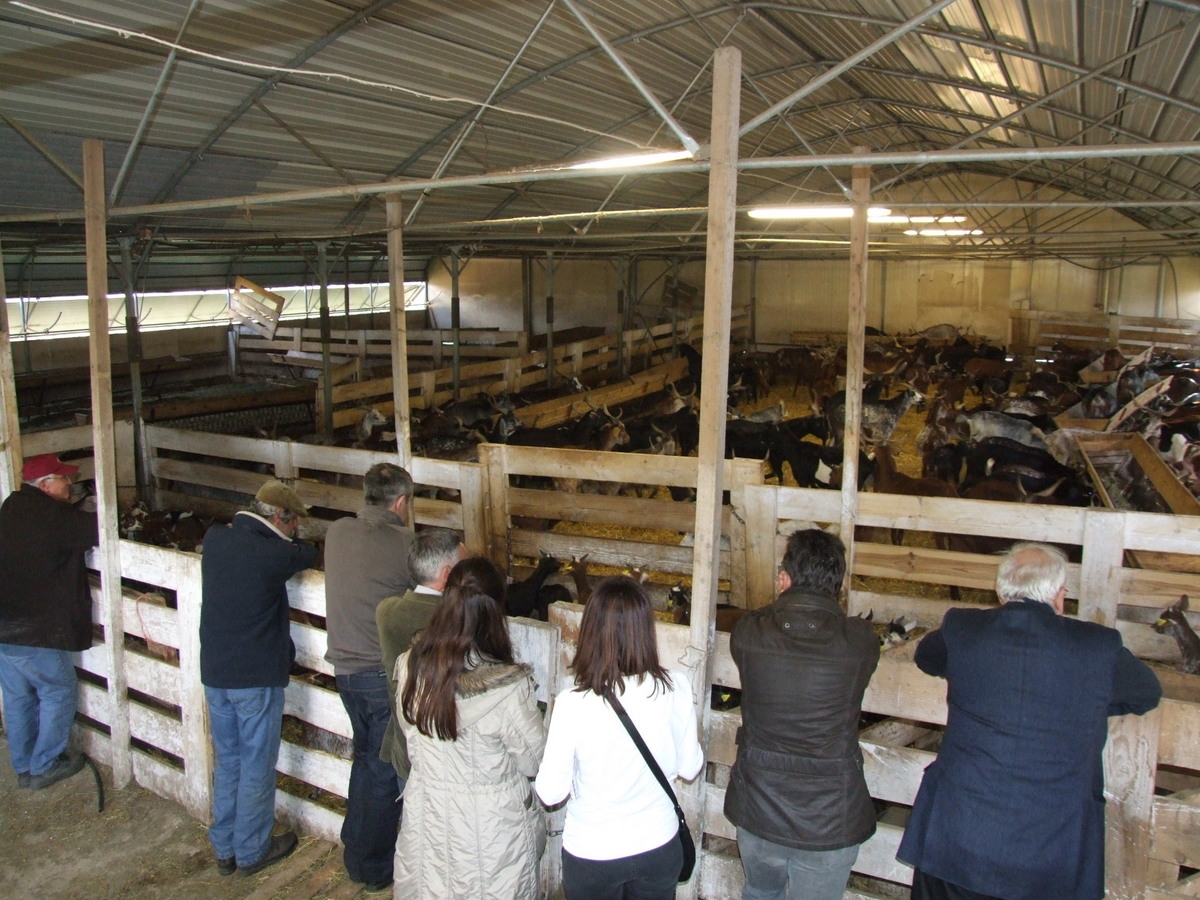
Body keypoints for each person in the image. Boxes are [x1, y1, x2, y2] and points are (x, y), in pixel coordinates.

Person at [897, 542, 1163, 900]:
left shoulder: (964, 628)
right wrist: (1080, 703)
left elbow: (927, 658)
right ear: (1059, 595)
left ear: (1000, 592)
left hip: (958, 838)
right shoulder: (1097, 646)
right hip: (1050, 854)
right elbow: (1146, 693)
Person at [724, 528, 880, 900]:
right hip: (829, 817)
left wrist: (786, 598)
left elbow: (759, 618)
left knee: (760, 892)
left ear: (784, 578)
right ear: (839, 584)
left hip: (759, 806)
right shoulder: (860, 641)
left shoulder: (750, 633)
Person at [536, 575, 704, 900]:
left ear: (591, 632)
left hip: (593, 852)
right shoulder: (675, 687)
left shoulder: (572, 703)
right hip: (657, 843)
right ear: (646, 630)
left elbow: (550, 792)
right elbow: (690, 767)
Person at [393, 556, 546, 899]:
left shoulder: (409, 667)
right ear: (494, 613)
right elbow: (535, 761)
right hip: (490, 831)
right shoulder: (507, 688)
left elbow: (409, 731)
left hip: (429, 812)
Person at [200, 480, 318, 877]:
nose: (295, 529)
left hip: (216, 673)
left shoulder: (216, 538)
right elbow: (309, 553)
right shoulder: (274, 554)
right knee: (256, 764)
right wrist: (289, 540)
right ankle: (251, 850)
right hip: (254, 678)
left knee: (229, 759)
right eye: (294, 521)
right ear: (280, 516)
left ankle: (224, 847)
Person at [323, 462, 415, 892]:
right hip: (378, 673)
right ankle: (375, 867)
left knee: (364, 759)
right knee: (382, 770)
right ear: (401, 502)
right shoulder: (405, 544)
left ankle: (356, 851)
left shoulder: (337, 532)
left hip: (343, 672)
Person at [0, 453, 98, 790]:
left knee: (18, 697)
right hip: (36, 630)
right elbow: (99, 529)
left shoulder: (11, 506)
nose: (69, 484)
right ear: (45, 485)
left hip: (4, 625)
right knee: (58, 689)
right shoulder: (54, 515)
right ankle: (45, 765)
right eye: (63, 478)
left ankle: (24, 766)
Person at [375, 526, 465, 779]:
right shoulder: (456, 620)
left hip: (405, 746)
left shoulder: (387, 611)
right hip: (445, 754)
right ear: (447, 574)